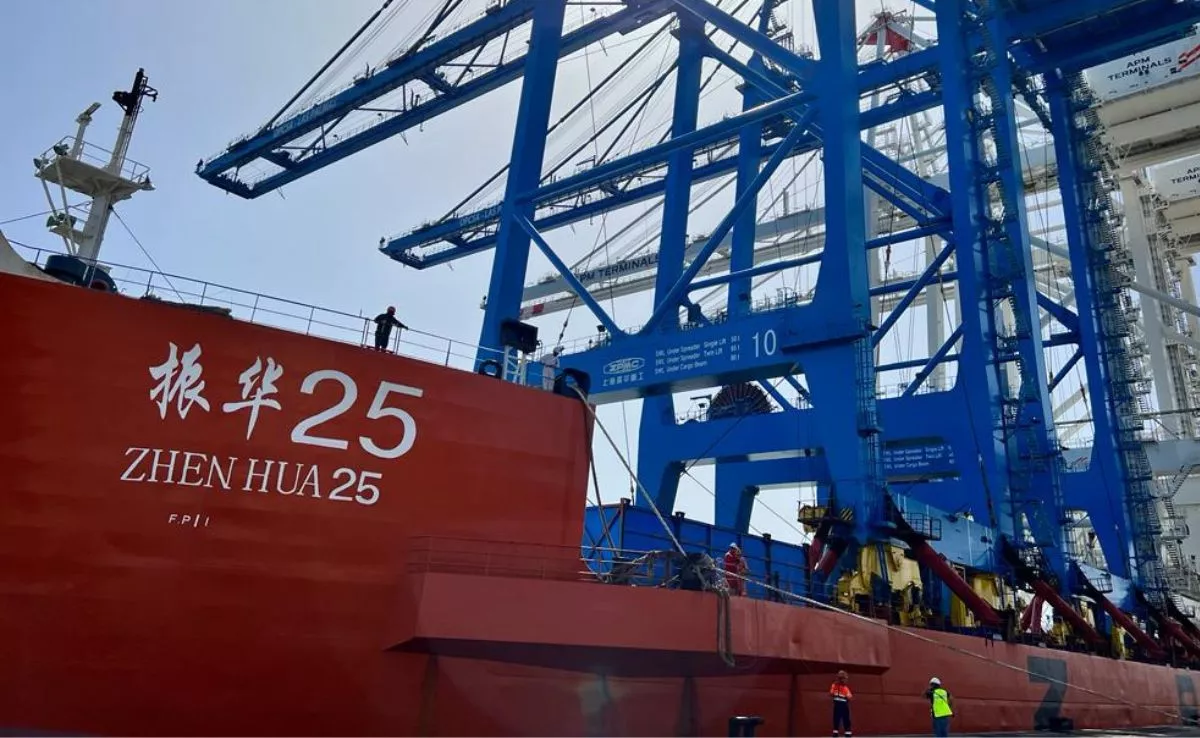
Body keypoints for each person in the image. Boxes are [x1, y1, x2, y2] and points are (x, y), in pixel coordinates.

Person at [830, 670, 853, 737]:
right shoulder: (845, 688)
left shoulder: (834, 685)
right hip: (844, 705)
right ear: (843, 679)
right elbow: (849, 697)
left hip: (836, 705)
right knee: (846, 719)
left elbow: (831, 693)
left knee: (836, 719)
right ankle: (848, 734)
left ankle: (835, 733)